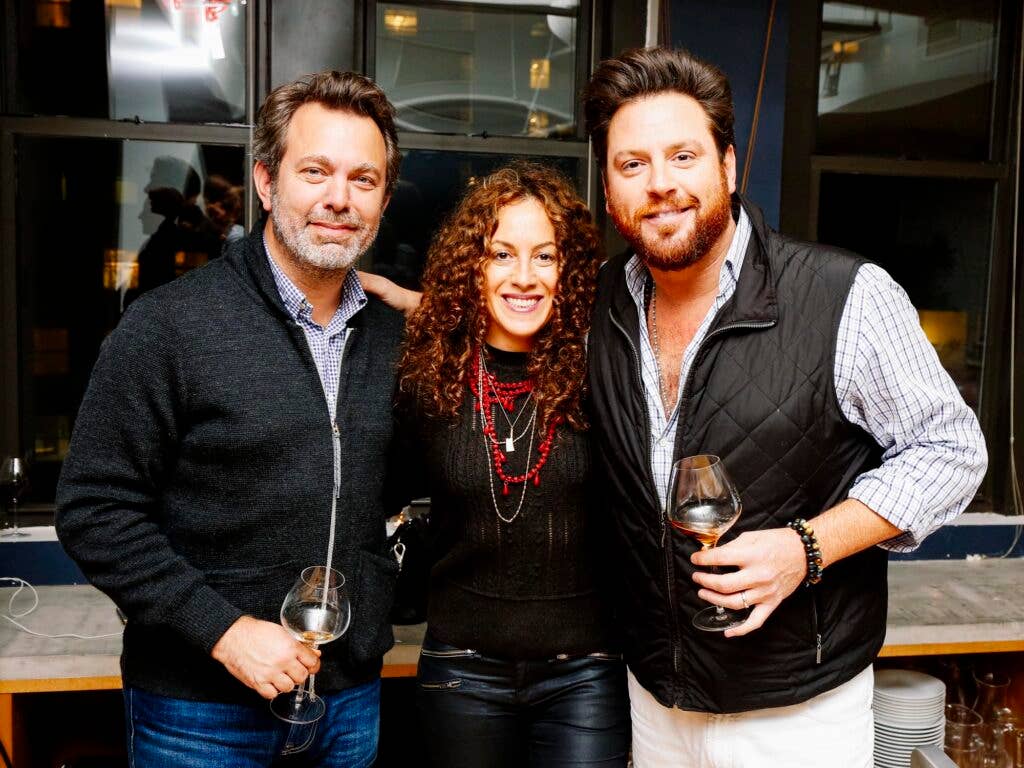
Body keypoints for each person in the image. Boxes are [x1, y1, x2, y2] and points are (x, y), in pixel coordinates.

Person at [580, 47, 988, 766]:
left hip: (799, 709)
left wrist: (806, 548)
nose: (661, 185)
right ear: (608, 185)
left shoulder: (843, 294)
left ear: (728, 166)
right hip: (653, 697)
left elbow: (952, 449)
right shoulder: (600, 302)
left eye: (682, 156)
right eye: (632, 164)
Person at [56, 70, 406, 767]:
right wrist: (224, 631)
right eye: (315, 171)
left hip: (347, 701)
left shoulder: (394, 339)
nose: (339, 198)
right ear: (267, 182)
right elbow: (94, 509)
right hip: (198, 713)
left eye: (363, 180)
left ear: (384, 199)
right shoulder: (169, 326)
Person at [394, 162, 630, 767]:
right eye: (501, 254)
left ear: (569, 269)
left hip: (585, 673)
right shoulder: (431, 377)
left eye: (544, 257)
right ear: (472, 266)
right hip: (461, 672)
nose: (524, 277)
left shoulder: (602, 369)